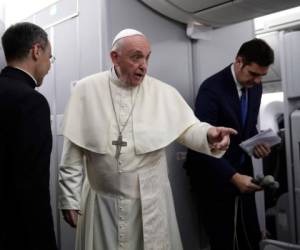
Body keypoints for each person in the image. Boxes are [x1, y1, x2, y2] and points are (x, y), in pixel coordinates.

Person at [58, 28, 237, 250]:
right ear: (115, 57)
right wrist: (69, 199)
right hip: (103, 205)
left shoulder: (163, 92)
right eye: (136, 57)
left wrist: (209, 134)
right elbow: (73, 152)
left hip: (151, 204)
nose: (144, 65)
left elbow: (187, 127)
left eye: (147, 57)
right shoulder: (86, 90)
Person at [184, 38, 274, 250]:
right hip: (214, 177)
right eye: (253, 74)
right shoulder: (211, 89)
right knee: (224, 241)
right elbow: (201, 145)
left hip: (243, 172)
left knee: (250, 236)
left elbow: (246, 128)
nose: (258, 81)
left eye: (262, 76)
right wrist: (232, 177)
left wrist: (257, 145)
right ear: (239, 62)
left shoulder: (255, 88)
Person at [0, 22, 57, 250]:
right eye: (50, 58)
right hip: (16, 232)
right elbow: (33, 185)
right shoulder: (31, 102)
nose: (49, 67)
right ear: (36, 51)